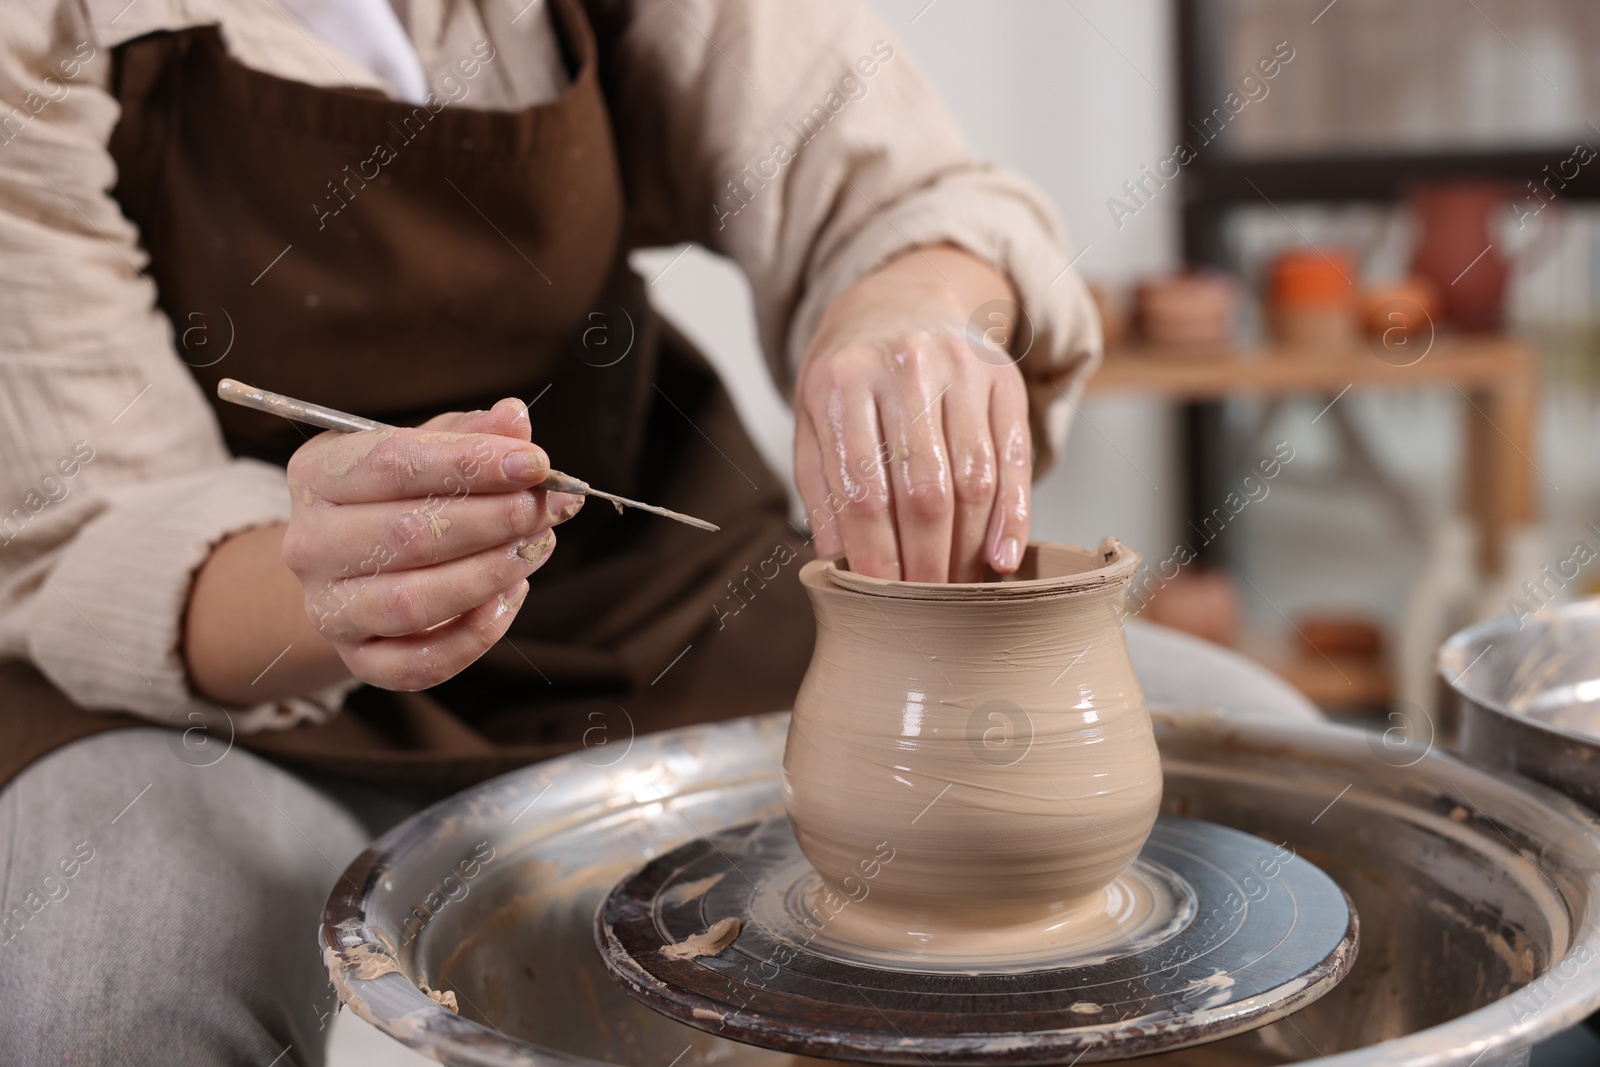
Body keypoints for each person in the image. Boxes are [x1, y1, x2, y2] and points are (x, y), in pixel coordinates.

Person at [0, 0, 1101, 1061]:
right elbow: (84, 526)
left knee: (1205, 752)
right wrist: (344, 587)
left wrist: (904, 309)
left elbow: (894, 191)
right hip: (239, 674)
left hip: (651, 604)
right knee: (112, 984)